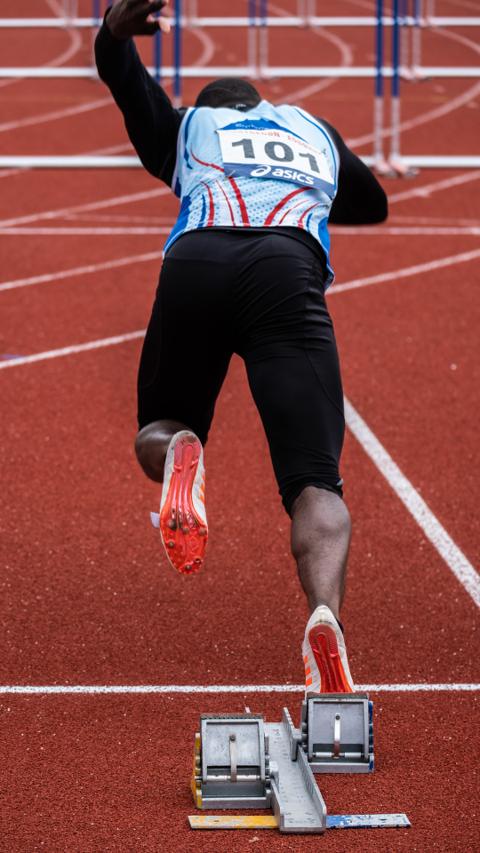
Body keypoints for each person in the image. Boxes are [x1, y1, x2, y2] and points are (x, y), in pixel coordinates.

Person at [95, 0, 388, 695]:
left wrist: (113, 29)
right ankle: (324, 616)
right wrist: (311, 191)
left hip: (196, 262)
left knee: (158, 423)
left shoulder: (185, 128)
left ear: (209, 110)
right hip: (287, 271)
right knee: (316, 483)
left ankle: (179, 449)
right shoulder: (314, 130)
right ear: (263, 105)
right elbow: (373, 204)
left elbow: (123, 78)